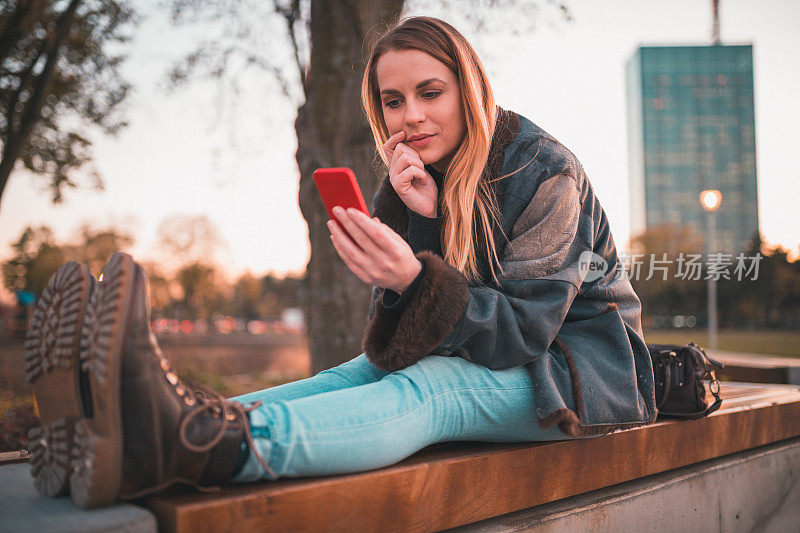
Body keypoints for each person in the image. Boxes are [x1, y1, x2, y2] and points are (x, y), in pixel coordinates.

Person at [25, 16, 656, 509]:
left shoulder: (545, 171)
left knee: (433, 392)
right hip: (492, 355)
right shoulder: (408, 178)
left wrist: (415, 275)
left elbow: (522, 333)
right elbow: (395, 340)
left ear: (470, 88)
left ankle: (199, 448)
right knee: (351, 375)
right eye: (392, 101)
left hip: (580, 374)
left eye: (430, 93)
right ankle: (168, 419)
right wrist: (421, 226)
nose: (410, 118)